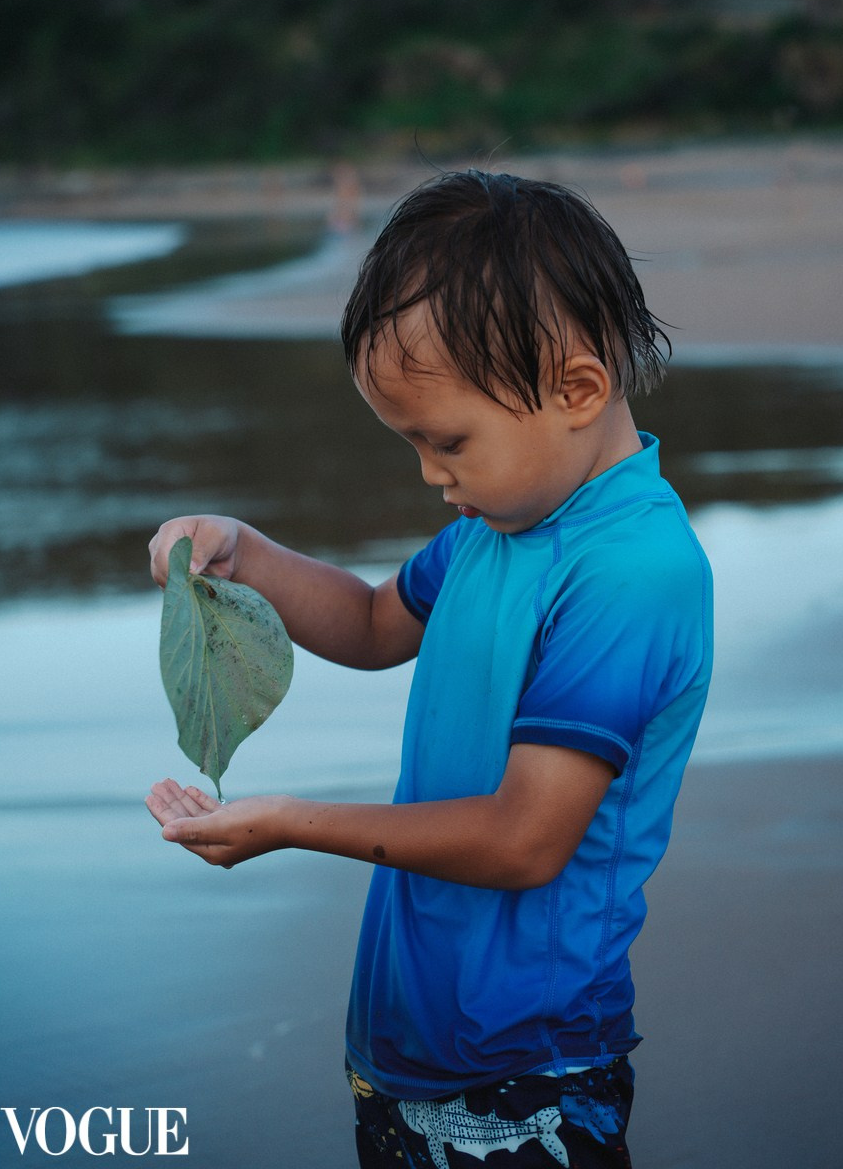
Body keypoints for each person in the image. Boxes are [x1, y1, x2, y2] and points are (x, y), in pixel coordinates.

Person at [147, 171, 713, 1169]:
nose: (429, 473)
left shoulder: (630, 574)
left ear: (577, 389)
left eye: (446, 439)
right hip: (412, 1035)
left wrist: (288, 822)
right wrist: (248, 550)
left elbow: (524, 840)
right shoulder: (498, 524)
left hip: (526, 1068)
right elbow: (371, 623)